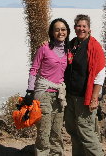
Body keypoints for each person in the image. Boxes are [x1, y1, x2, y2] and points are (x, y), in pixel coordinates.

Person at [25, 18, 71, 156]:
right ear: (51, 32)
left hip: (59, 95)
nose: (60, 32)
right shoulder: (44, 48)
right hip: (44, 93)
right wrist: (29, 90)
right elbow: (34, 70)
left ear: (67, 32)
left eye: (63, 29)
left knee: (57, 131)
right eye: (57, 29)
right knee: (44, 131)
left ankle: (57, 154)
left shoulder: (69, 51)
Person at [64, 14, 106, 156]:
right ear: (75, 28)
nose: (81, 28)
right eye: (79, 26)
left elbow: (100, 74)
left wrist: (94, 97)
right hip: (70, 96)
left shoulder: (94, 46)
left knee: (86, 132)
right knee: (73, 130)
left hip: (84, 98)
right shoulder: (72, 44)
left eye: (84, 26)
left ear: (89, 29)